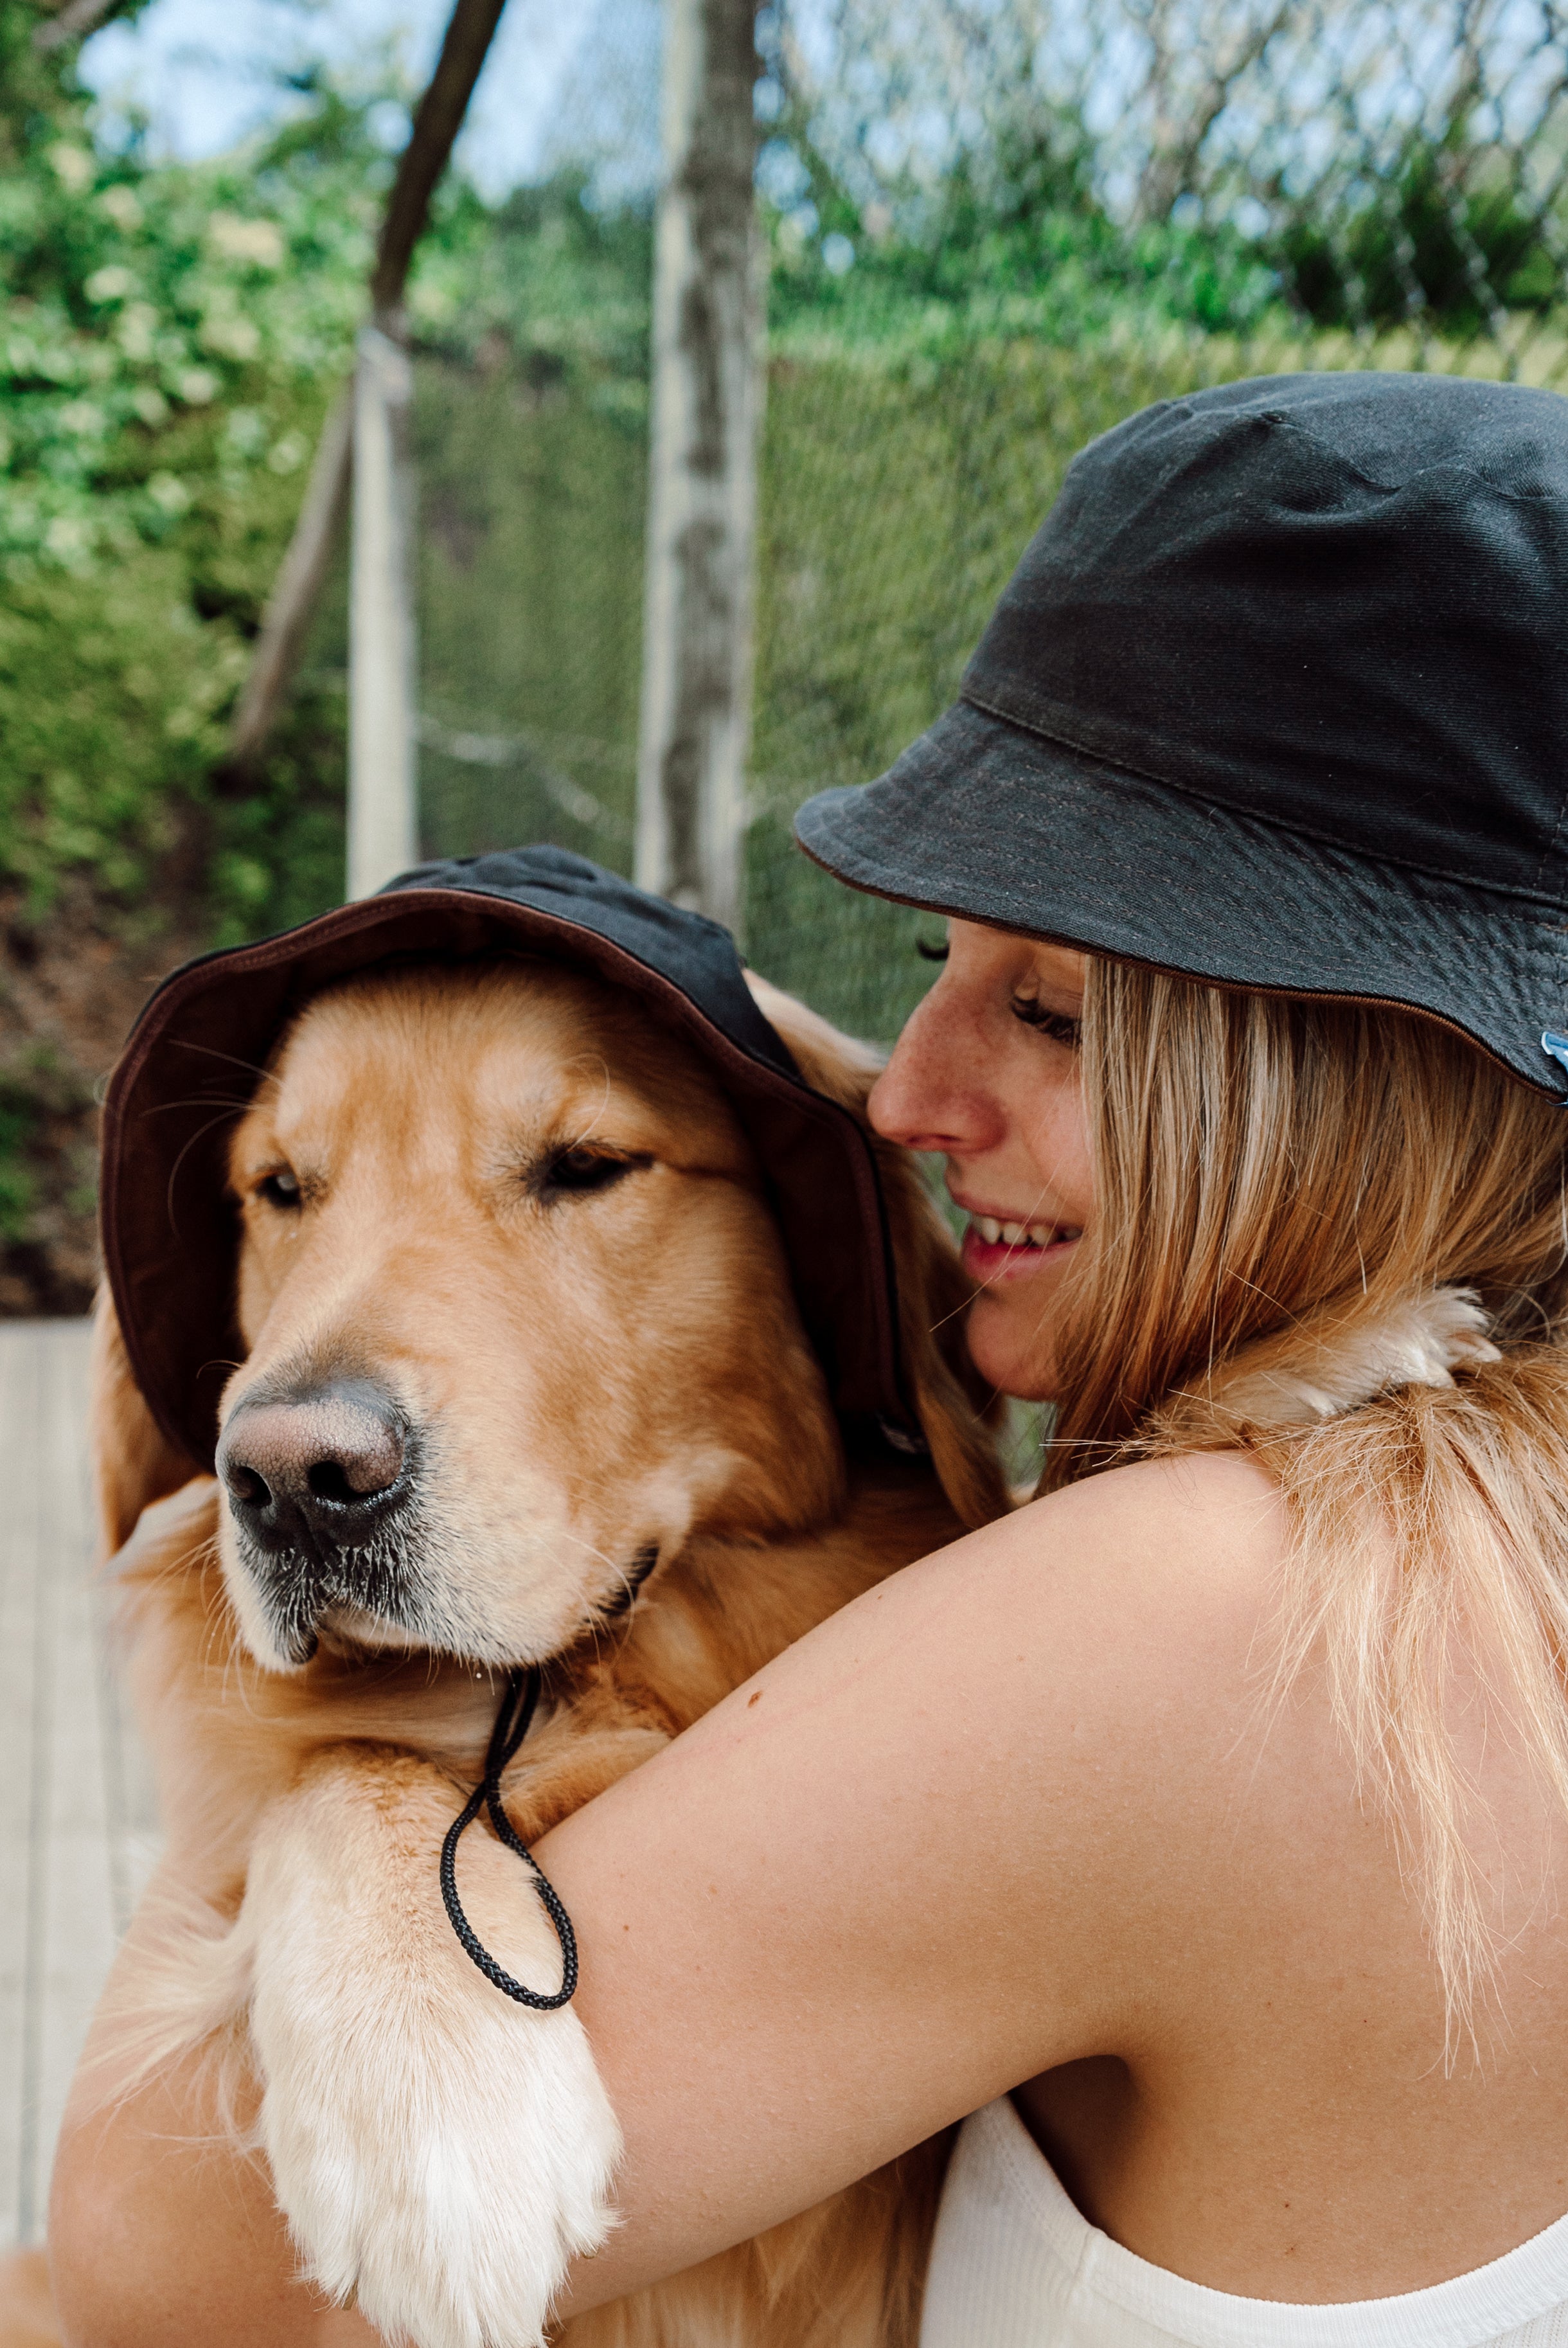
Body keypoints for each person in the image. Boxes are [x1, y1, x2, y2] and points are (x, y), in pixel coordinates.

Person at [49, 369, 1568, 2347]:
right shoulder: (1480, 1548)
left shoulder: (1216, 1612)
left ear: (1353, 1083)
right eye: (938, 969)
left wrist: (305, 1775)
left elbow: (149, 2254)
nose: (910, 1099)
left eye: (1054, 1012)